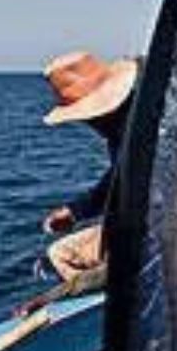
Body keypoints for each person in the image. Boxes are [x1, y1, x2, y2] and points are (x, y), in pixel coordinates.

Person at [39, 51, 137, 281]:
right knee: (60, 253)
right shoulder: (124, 124)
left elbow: (124, 180)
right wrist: (75, 211)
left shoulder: (134, 129)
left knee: (60, 254)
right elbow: (121, 179)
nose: (87, 122)